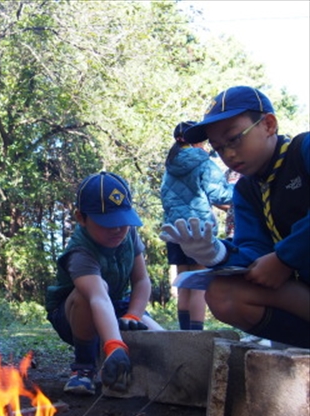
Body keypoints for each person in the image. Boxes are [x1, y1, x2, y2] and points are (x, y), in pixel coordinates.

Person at [161, 86, 309, 349]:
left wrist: (285, 257)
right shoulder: (246, 189)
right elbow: (256, 251)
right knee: (222, 294)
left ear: (269, 124)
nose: (227, 154)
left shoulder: (304, 150)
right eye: (217, 148)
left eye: (234, 139)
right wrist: (216, 254)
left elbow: (276, 261)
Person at [46, 171, 163, 396]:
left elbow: (141, 280)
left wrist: (133, 316)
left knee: (162, 339)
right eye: (107, 223)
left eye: (123, 221)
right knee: (88, 295)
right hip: (74, 315)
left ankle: (122, 365)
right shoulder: (80, 252)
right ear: (81, 218)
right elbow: (97, 296)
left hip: (115, 306)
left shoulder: (128, 236)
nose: (118, 229)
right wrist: (114, 344)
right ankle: (84, 367)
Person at [160, 121, 233, 330]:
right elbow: (219, 194)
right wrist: (241, 190)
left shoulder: (169, 165)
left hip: (174, 231)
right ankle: (196, 336)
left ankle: (183, 335)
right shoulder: (203, 162)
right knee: (199, 284)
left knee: (183, 282)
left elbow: (165, 197)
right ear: (198, 142)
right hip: (198, 230)